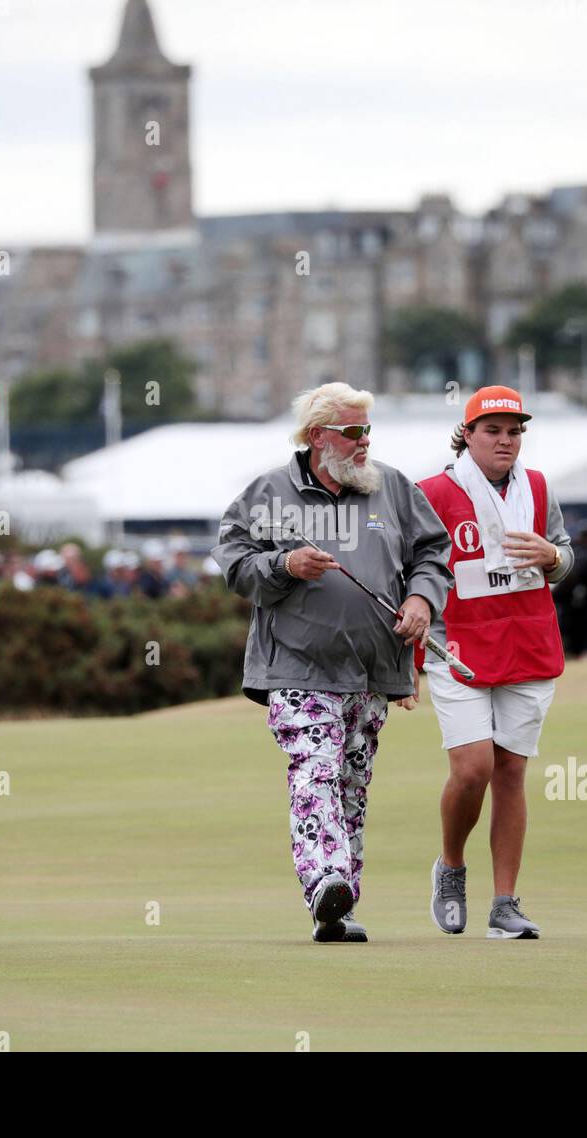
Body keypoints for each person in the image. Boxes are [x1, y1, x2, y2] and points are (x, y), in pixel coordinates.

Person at [212, 382, 452, 944]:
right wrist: (284, 564)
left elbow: (432, 553)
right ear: (318, 436)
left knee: (350, 785)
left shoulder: (392, 487)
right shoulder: (267, 493)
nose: (363, 441)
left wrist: (421, 600)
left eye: (367, 430)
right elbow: (234, 563)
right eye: (351, 431)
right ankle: (325, 878)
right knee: (315, 769)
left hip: (372, 672)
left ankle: (336, 911)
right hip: (296, 668)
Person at [412, 386, 573, 940]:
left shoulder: (538, 486)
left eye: (514, 432)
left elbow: (563, 551)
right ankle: (451, 867)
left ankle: (505, 903)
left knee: (511, 771)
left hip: (528, 644)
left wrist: (554, 557)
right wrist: (406, 662)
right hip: (455, 646)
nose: (506, 441)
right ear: (469, 434)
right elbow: (413, 576)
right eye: (493, 431)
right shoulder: (432, 492)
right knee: (473, 768)